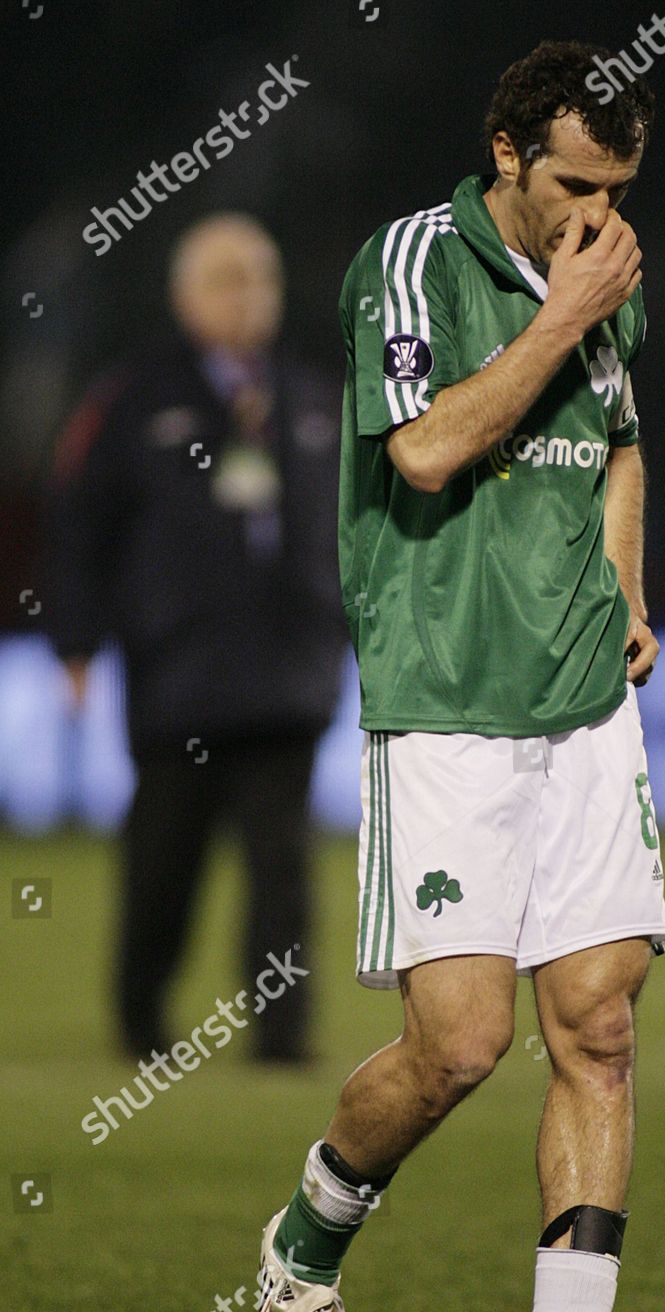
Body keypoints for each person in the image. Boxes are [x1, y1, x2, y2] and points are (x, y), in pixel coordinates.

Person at [253, 42, 665, 1312]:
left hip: (582, 702)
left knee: (600, 1027)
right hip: (445, 696)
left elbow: (622, 438)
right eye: (573, 184)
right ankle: (304, 1248)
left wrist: (625, 576)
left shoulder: (602, 275)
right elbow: (429, 453)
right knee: (455, 1046)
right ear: (506, 152)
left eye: (617, 191)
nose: (597, 219)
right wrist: (564, 315)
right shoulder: (407, 264)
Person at [46, 214, 345, 1064]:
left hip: (288, 672)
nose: (249, 294)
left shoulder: (317, 397)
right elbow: (80, 528)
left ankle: (282, 1042)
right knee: (163, 867)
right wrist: (75, 640)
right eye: (228, 277)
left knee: (282, 875)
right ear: (185, 295)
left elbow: (359, 534)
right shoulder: (134, 398)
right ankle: (141, 1024)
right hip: (178, 674)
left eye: (262, 276)